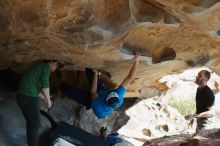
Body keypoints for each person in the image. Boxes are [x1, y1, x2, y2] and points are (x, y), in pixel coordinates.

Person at [16, 60, 58, 146]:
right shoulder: (46, 67)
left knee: (32, 123)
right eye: (57, 65)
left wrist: (45, 98)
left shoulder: (39, 68)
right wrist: (48, 101)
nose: (56, 67)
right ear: (52, 61)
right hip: (28, 96)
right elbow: (45, 85)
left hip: (23, 96)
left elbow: (37, 88)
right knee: (34, 123)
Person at [90, 53, 140, 119]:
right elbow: (129, 77)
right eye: (114, 92)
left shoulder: (97, 105)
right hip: (104, 107)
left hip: (98, 108)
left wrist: (95, 75)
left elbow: (93, 92)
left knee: (77, 92)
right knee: (113, 85)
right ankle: (102, 76)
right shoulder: (119, 97)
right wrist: (136, 62)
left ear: (105, 98)